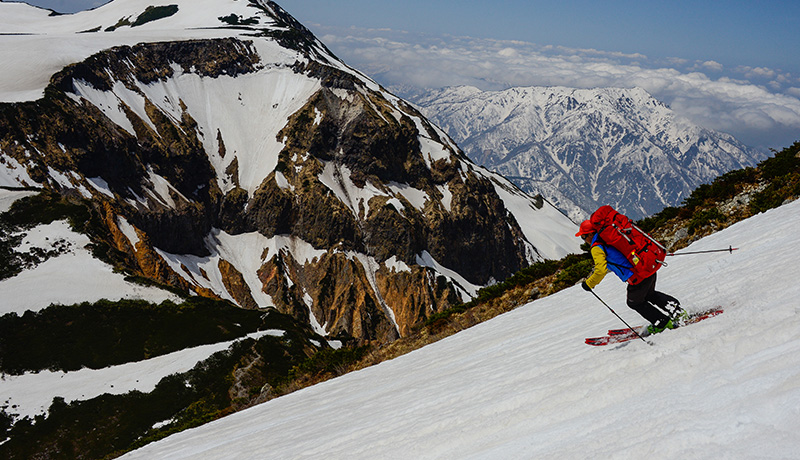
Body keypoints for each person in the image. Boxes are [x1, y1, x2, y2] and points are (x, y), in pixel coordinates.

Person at [575, 220, 687, 334]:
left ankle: (662, 323)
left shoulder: (597, 247)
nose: (584, 241)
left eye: (583, 237)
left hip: (637, 275)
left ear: (591, 234)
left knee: (634, 302)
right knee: (649, 294)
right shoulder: (612, 235)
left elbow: (600, 270)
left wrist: (589, 283)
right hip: (647, 266)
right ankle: (678, 312)